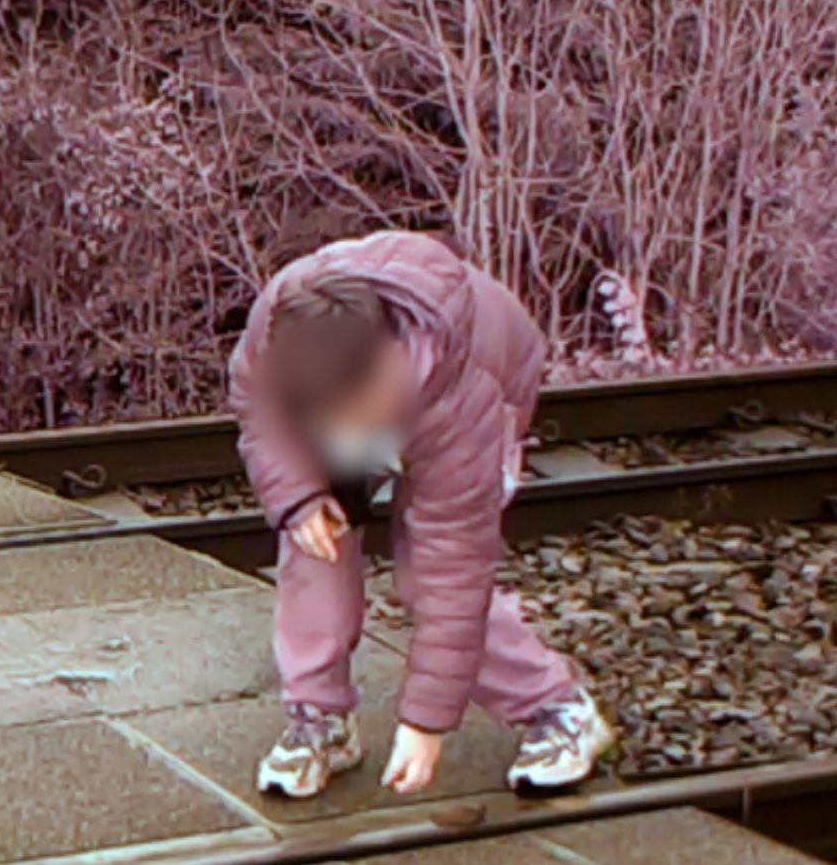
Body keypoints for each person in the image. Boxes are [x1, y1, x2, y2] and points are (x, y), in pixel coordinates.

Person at [229, 231, 614, 798]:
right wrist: (299, 493)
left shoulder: (468, 394)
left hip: (477, 387)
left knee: (426, 576)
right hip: (364, 389)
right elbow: (258, 408)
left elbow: (454, 569)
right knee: (313, 536)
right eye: (329, 418)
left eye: (357, 416)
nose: (347, 436)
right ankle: (321, 719)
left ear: (390, 358)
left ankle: (559, 708)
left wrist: (426, 721)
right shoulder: (280, 328)